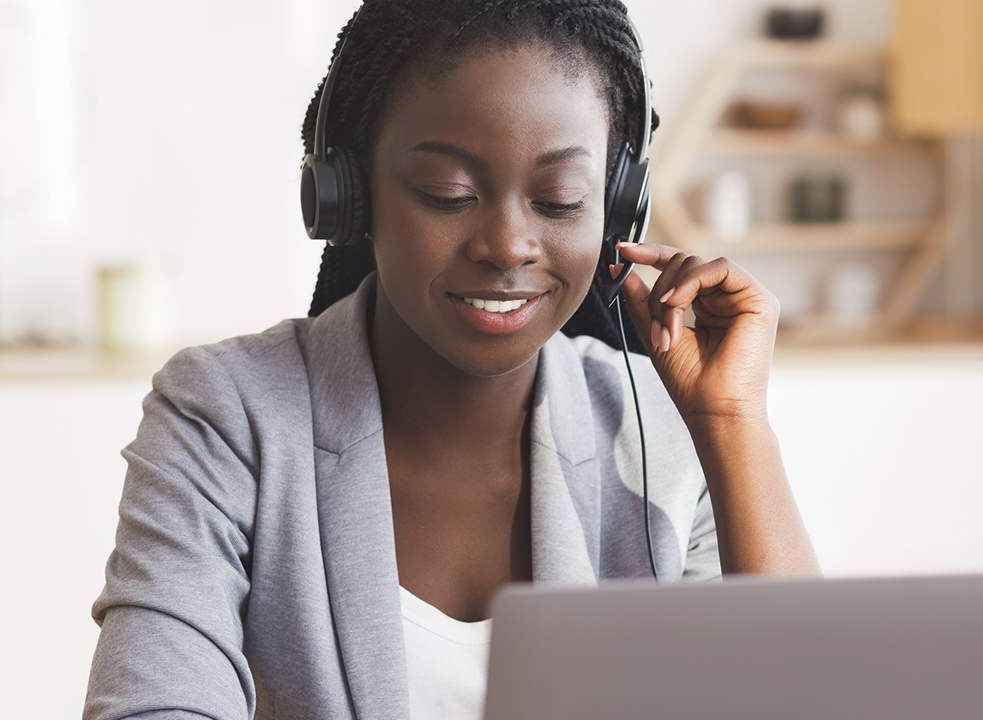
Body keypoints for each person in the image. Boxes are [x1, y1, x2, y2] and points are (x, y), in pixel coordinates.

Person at [83, 1, 819, 719]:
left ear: (618, 209)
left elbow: (805, 701)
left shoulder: (660, 436)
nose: (507, 245)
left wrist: (732, 426)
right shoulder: (227, 415)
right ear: (351, 195)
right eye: (449, 193)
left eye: (560, 200)